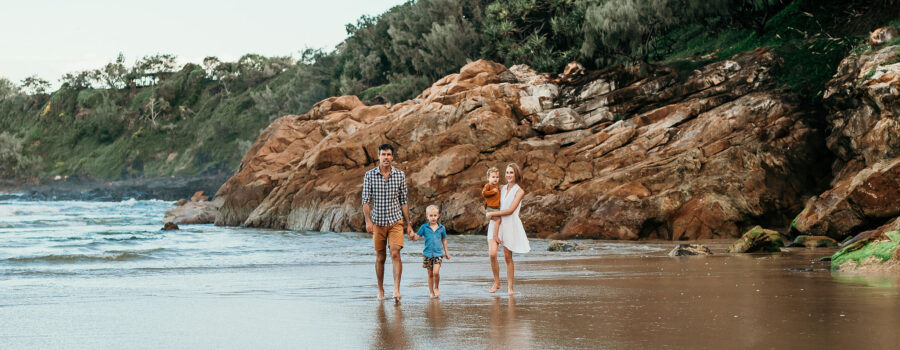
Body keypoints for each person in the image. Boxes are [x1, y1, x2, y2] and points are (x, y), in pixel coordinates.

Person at [362, 143, 416, 302]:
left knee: (395, 252)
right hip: (378, 221)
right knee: (380, 257)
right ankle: (380, 289)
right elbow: (365, 200)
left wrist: (409, 224)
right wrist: (368, 221)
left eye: (389, 155)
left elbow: (404, 201)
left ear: (392, 157)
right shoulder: (369, 175)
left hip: (395, 221)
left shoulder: (400, 175)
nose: (386, 157)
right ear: (378, 156)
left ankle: (397, 289)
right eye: (383, 154)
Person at [486, 163, 530, 295]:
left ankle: (510, 288)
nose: (508, 175)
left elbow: (510, 210)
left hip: (509, 225)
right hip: (495, 224)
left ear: (516, 174)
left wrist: (492, 214)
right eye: (507, 172)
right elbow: (489, 197)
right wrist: (488, 210)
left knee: (507, 257)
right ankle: (497, 282)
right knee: (492, 254)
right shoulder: (500, 188)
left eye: (511, 172)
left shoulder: (520, 191)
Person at [414, 205, 451, 298]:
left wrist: (446, 252)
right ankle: (431, 292)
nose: (433, 217)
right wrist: (412, 236)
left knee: (436, 272)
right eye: (431, 215)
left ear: (438, 216)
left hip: (438, 253)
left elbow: (444, 240)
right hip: (427, 254)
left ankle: (436, 288)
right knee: (430, 274)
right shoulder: (424, 227)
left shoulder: (442, 228)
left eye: (435, 215)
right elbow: (416, 237)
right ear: (427, 216)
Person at [483, 167, 502, 246]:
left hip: (496, 209)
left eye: (497, 177)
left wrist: (500, 189)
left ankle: (499, 235)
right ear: (488, 178)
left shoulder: (497, 187)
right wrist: (492, 192)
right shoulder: (488, 186)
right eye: (493, 177)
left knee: (501, 220)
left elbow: (498, 197)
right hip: (490, 209)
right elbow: (484, 193)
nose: (495, 179)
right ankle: (495, 236)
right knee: (498, 220)